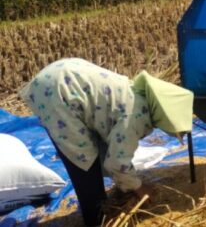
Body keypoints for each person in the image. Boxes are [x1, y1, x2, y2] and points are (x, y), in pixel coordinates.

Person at [20, 58, 194, 226]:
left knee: (93, 157)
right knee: (84, 161)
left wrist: (125, 184)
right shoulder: (135, 116)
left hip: (62, 78)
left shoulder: (139, 95)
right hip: (58, 93)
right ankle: (95, 219)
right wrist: (139, 187)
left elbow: (112, 147)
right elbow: (117, 163)